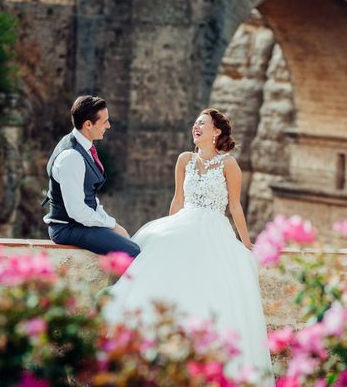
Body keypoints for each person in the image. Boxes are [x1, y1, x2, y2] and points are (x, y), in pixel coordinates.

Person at [104, 108, 274, 383]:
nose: (196, 127)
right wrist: (169, 228)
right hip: (184, 222)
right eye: (195, 122)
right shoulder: (184, 160)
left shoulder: (229, 164)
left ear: (216, 132)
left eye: (202, 123)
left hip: (214, 228)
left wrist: (246, 242)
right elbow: (177, 200)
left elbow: (234, 205)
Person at [43, 95, 140, 258]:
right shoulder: (72, 157)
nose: (108, 126)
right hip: (67, 228)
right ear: (88, 124)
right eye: (104, 122)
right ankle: (116, 285)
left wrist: (110, 222)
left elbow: (89, 198)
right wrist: (112, 225)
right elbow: (77, 211)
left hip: (79, 224)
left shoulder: (80, 146)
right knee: (132, 252)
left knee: (131, 242)